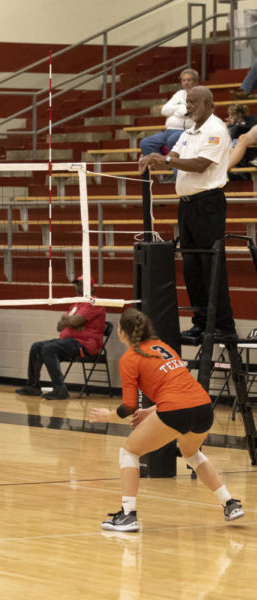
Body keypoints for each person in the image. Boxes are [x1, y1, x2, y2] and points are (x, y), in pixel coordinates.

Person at [89, 308, 244, 532]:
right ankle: (230, 503)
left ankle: (128, 515)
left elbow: (129, 406)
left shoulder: (130, 358)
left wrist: (108, 416)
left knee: (129, 452)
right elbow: (178, 387)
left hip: (176, 410)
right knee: (192, 454)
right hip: (203, 407)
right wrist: (153, 410)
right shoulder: (164, 347)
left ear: (122, 332)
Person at [138, 85, 236, 339]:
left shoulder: (215, 129)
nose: (188, 107)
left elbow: (200, 165)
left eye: (193, 102)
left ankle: (224, 327)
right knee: (191, 266)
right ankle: (201, 323)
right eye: (187, 102)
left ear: (208, 104)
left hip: (208, 204)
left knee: (210, 265)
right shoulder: (190, 130)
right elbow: (175, 154)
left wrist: (165, 160)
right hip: (188, 204)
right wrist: (153, 158)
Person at [14, 276, 107, 400]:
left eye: (81, 284)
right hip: (68, 342)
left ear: (90, 287)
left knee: (49, 348)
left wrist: (68, 320)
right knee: (36, 346)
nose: (78, 287)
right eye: (77, 284)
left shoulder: (94, 302)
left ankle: (60, 389)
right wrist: (70, 321)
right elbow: (59, 326)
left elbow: (74, 321)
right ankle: (33, 386)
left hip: (84, 344)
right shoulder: (76, 304)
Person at [139, 68, 197, 174]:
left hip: (185, 131)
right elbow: (165, 110)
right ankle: (162, 166)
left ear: (195, 81)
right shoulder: (179, 94)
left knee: (173, 139)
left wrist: (176, 109)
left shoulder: (199, 94)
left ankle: (174, 171)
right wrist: (178, 109)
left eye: (189, 80)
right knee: (145, 143)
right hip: (168, 130)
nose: (186, 83)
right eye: (183, 80)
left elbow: (187, 113)